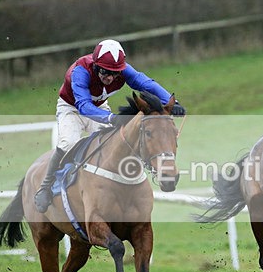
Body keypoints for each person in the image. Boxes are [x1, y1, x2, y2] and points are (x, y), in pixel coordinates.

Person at [34, 39, 186, 212]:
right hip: (72, 108)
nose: (110, 78)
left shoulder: (122, 70)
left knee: (112, 145)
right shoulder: (80, 71)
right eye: (105, 72)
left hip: (99, 107)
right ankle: (45, 186)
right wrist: (110, 118)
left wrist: (172, 101)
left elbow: (145, 83)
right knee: (68, 143)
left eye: (115, 73)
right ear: (96, 66)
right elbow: (83, 105)